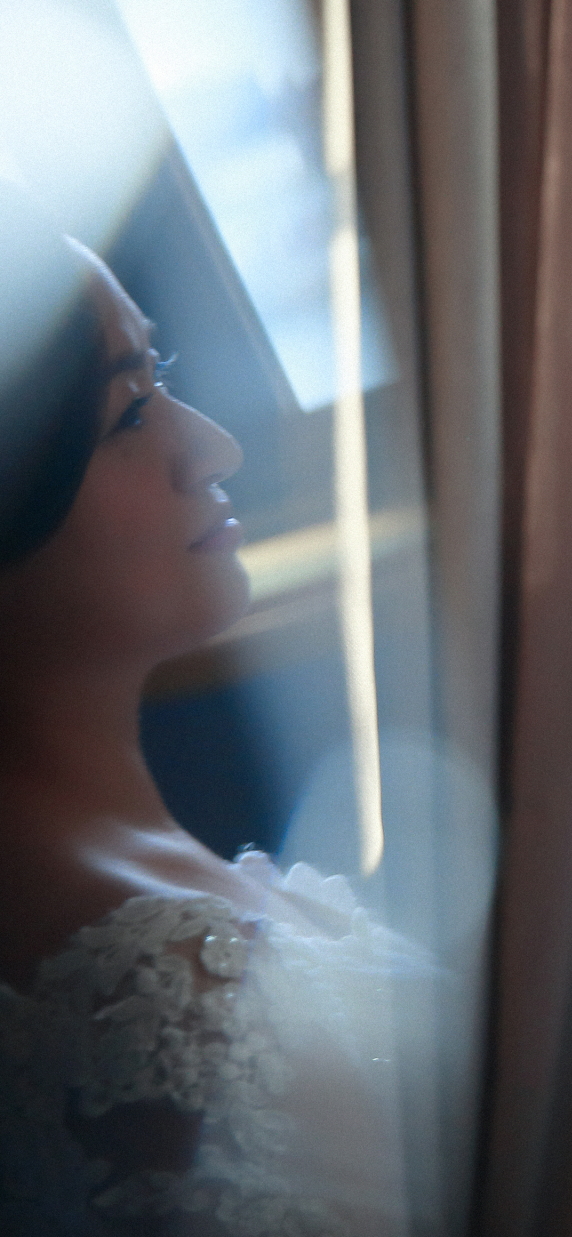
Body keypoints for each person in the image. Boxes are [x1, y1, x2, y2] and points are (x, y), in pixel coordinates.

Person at [0, 189, 418, 1235]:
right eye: (130, 413)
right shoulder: (157, 988)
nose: (216, 449)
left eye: (164, 376)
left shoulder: (119, 884)